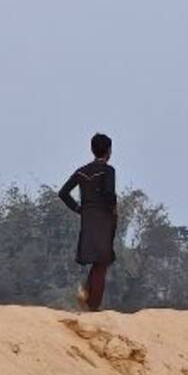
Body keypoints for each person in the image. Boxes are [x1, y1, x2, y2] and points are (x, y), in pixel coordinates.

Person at [57, 133, 118, 311]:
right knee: (103, 261)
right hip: (104, 220)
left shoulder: (81, 171)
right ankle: (93, 308)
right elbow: (108, 193)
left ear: (92, 150)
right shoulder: (108, 170)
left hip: (88, 219)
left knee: (98, 261)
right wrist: (113, 209)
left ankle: (87, 296)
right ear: (108, 151)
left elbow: (63, 193)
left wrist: (78, 209)